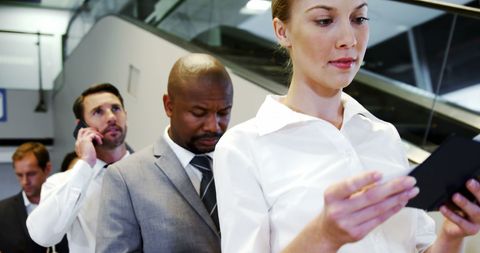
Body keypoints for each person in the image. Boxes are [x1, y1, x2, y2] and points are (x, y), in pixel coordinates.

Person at [213, 1, 480, 253]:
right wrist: (324, 235)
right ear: (282, 31)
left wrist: (451, 235)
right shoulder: (242, 148)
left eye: (359, 19)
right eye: (324, 20)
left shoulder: (383, 135)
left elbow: (418, 246)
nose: (349, 40)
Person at [95, 53, 233, 252]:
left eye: (223, 112)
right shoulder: (126, 178)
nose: (214, 126)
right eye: (199, 113)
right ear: (169, 105)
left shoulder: (241, 164)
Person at [26, 83, 130, 253]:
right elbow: (44, 236)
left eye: (116, 108)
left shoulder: (152, 172)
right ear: (81, 126)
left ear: (126, 115)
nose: (111, 117)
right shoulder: (62, 183)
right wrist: (85, 164)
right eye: (98, 111)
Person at [0, 142, 69, 253]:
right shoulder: (2, 212)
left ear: (47, 168)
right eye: (19, 175)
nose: (25, 181)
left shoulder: (67, 205)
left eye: (31, 174)